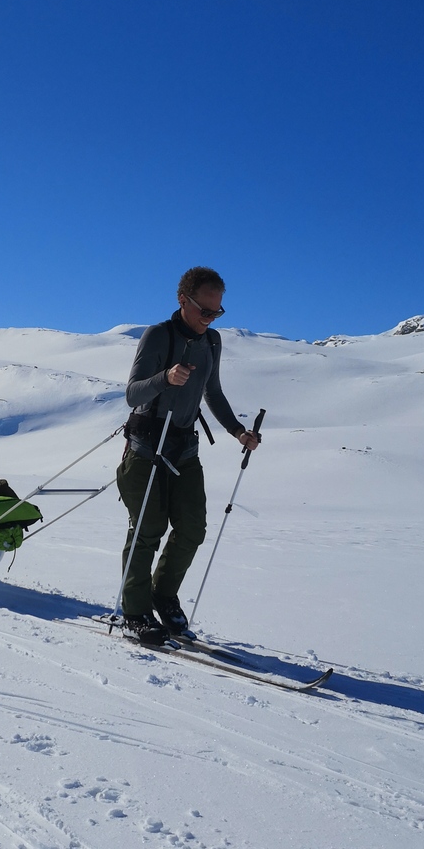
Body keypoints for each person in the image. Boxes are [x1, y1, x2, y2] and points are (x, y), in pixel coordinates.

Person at [117, 267, 260, 645]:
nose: (211, 319)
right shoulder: (158, 336)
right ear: (183, 300)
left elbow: (213, 392)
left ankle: (162, 595)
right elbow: (132, 394)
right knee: (147, 531)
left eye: (218, 312)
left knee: (193, 529)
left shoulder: (212, 341)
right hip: (146, 448)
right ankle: (134, 612)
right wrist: (165, 378)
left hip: (184, 448)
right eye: (205, 310)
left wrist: (238, 431)